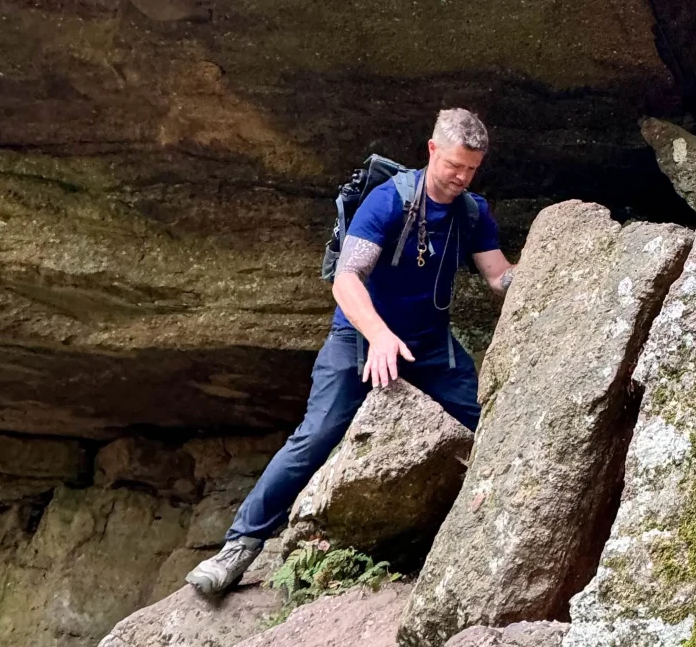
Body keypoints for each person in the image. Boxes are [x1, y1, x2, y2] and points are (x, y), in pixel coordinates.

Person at [187, 107, 514, 597]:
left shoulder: (472, 211)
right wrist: (380, 336)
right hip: (359, 339)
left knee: (490, 424)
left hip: (428, 344)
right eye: (453, 166)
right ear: (431, 151)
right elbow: (346, 279)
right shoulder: (387, 203)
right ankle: (239, 547)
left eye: (471, 169)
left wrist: (559, 265)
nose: (461, 177)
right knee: (316, 436)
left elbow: (498, 277)